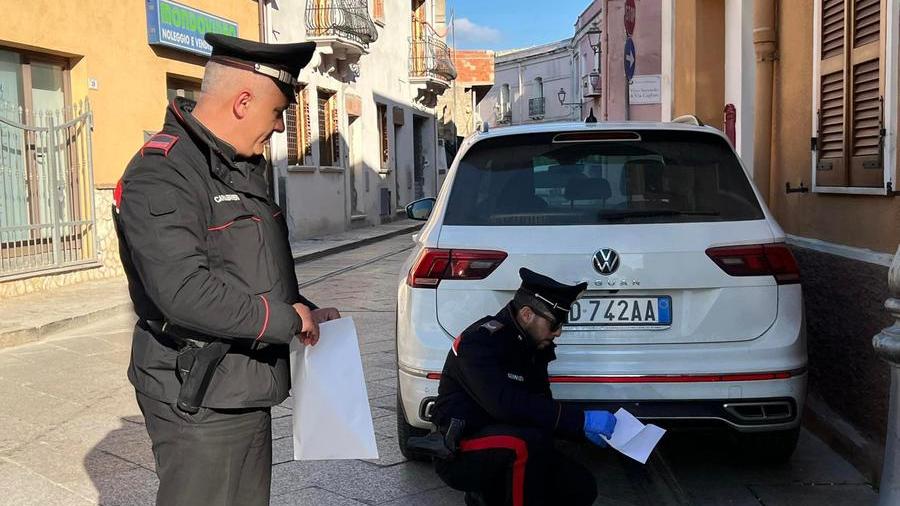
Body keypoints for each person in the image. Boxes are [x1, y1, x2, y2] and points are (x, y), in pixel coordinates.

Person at [113, 33, 340, 506]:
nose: (278, 127)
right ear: (243, 102)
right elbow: (183, 291)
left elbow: (249, 269)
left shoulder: (238, 166)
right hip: (198, 393)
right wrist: (284, 320)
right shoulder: (163, 172)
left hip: (241, 384)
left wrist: (305, 311)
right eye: (277, 112)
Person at [429, 268, 617, 506]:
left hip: (504, 438)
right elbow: (505, 406)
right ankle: (486, 494)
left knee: (579, 485)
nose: (558, 332)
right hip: (462, 448)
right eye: (555, 323)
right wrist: (581, 420)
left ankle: (490, 497)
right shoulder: (480, 342)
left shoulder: (532, 347)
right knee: (524, 445)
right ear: (527, 314)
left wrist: (579, 430)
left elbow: (538, 405)